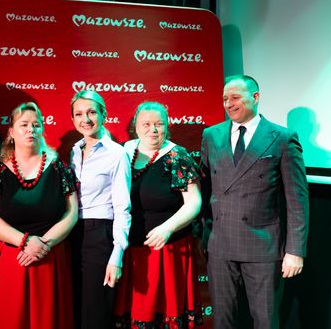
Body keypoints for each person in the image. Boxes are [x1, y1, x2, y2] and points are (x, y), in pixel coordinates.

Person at [200, 75, 309, 329]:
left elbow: (297, 200)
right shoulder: (211, 135)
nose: (229, 104)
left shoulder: (282, 138)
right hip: (220, 245)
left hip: (263, 247)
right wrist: (203, 233)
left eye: (235, 97)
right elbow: (205, 189)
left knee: (265, 322)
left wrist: (295, 251)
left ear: (255, 97)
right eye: (225, 99)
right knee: (223, 321)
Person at [0, 102, 79, 329]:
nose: (30, 130)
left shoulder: (59, 167)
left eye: (36, 125)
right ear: (11, 132)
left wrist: (43, 244)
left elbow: (72, 212)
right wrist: (25, 242)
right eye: (24, 125)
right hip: (10, 259)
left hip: (49, 258)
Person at [114, 101, 203, 328]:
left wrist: (167, 228)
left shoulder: (177, 156)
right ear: (136, 126)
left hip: (167, 252)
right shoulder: (123, 152)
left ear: (166, 126)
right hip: (130, 251)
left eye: (159, 124)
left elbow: (194, 202)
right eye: (146, 124)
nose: (153, 130)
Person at [69, 90, 131, 329]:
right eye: (79, 114)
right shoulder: (74, 150)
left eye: (92, 112)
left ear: (104, 114)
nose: (85, 119)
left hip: (100, 235)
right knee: (75, 308)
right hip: (72, 234)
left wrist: (117, 255)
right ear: (73, 119)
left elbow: (122, 207)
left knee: (95, 312)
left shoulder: (117, 154)